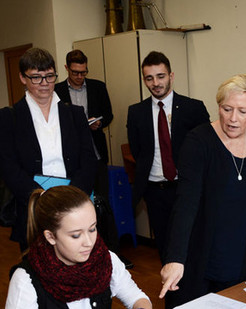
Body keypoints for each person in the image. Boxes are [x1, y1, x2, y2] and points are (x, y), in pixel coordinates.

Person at [159, 74, 246, 308]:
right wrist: (175, 258)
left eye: (242, 111)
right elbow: (186, 203)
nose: (233, 119)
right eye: (227, 109)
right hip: (202, 255)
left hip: (244, 257)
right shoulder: (198, 142)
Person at [0, 48, 97, 251]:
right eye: (36, 77)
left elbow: (88, 160)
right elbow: (8, 166)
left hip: (74, 205)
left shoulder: (75, 114)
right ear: (22, 78)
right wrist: (40, 197)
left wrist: (73, 196)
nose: (44, 84)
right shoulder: (10, 117)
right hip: (33, 207)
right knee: (37, 271)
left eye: (49, 76)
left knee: (75, 271)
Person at [5, 185, 152, 308]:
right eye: (76, 235)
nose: (89, 242)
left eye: (92, 229)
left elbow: (137, 298)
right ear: (51, 237)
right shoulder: (26, 281)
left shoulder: (106, 259)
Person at [126, 51, 210, 262]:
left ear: (171, 76)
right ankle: (172, 293)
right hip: (155, 192)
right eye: (149, 78)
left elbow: (206, 149)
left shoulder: (193, 108)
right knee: (165, 249)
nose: (155, 83)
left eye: (160, 76)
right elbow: (137, 151)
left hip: (187, 189)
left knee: (192, 246)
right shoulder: (136, 112)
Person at [53, 49, 129, 268]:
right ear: (67, 68)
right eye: (76, 72)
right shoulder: (57, 91)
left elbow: (109, 113)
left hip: (96, 155)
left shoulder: (97, 87)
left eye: (83, 72)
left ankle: (113, 255)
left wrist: (99, 123)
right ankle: (77, 256)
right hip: (71, 161)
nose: (80, 77)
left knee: (103, 204)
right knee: (73, 209)